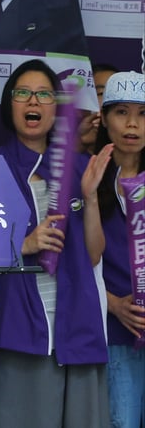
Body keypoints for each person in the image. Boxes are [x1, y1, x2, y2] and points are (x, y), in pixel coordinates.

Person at [0, 59, 109, 427]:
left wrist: (88, 198)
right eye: (23, 93)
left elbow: (93, 254)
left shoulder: (79, 166)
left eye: (44, 94)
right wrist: (24, 244)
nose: (33, 102)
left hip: (76, 326)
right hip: (19, 329)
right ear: (10, 104)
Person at [90, 71, 145, 427]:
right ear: (104, 119)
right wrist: (112, 303)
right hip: (117, 332)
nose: (133, 124)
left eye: (143, 114)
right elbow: (76, 260)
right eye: (122, 112)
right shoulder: (89, 177)